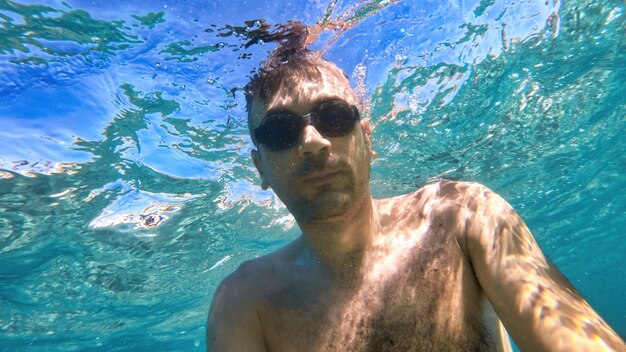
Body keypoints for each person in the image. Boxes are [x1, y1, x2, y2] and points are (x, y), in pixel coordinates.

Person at [207, 48, 626, 351]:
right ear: (260, 168)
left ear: (366, 139)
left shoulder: (461, 216)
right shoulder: (244, 303)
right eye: (281, 130)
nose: (314, 142)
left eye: (333, 117)